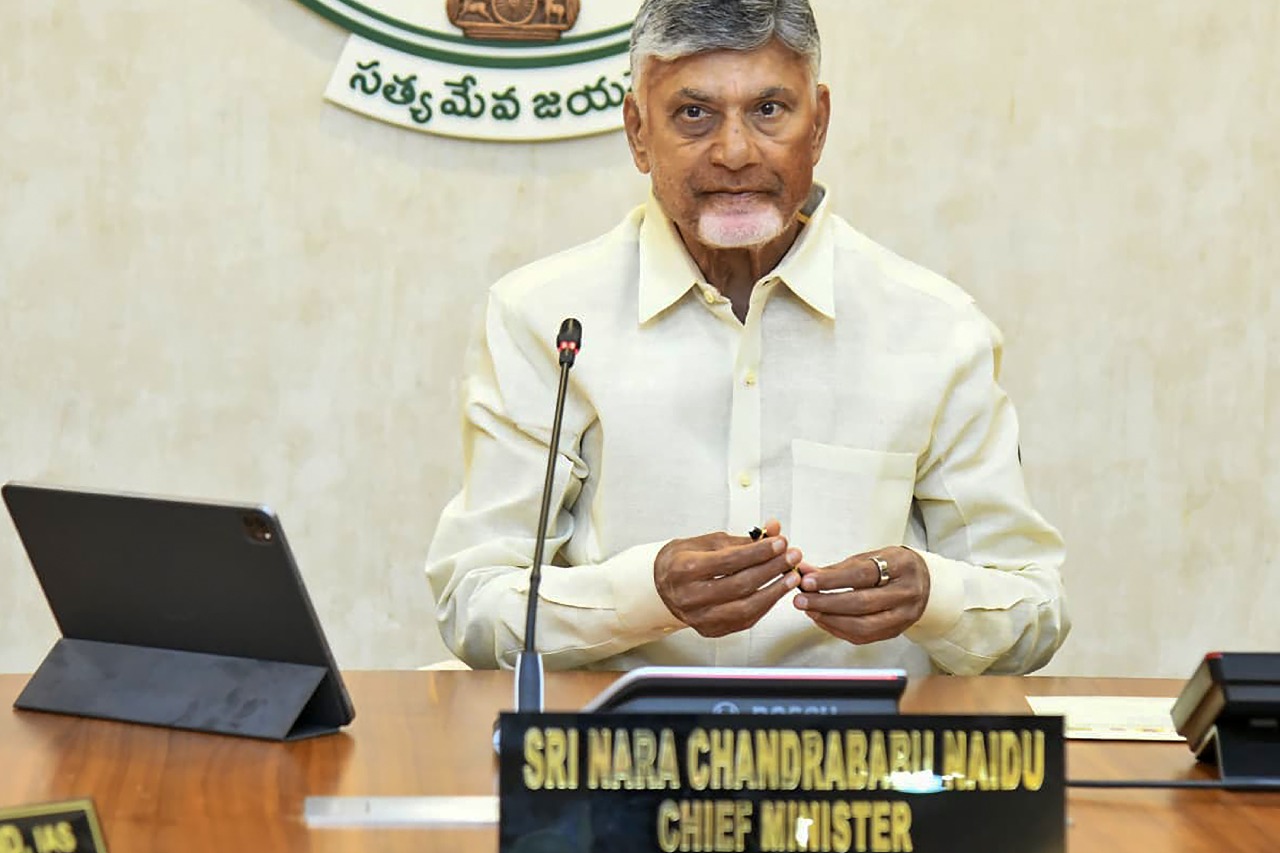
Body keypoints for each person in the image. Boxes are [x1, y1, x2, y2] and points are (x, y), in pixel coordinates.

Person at [426, 0, 1068, 676]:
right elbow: (472, 600)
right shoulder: (546, 319)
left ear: (818, 125)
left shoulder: (935, 326)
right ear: (638, 132)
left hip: (856, 741)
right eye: (693, 113)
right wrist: (645, 594)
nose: (734, 152)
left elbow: (1035, 609)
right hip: (618, 738)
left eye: (768, 110)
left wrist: (933, 597)